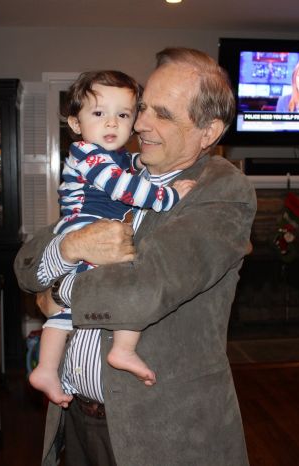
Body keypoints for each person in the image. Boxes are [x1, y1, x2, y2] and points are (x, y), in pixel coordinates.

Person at [14, 47, 257, 466]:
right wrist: (70, 248)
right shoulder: (116, 169)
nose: (139, 123)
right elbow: (27, 263)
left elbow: (145, 290)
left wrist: (59, 293)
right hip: (74, 413)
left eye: (163, 114)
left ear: (208, 131)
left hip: (159, 432)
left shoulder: (222, 191)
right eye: (143, 107)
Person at [29, 70, 196, 408]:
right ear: (75, 123)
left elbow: (131, 165)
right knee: (127, 277)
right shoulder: (88, 155)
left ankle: (46, 369)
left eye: (122, 115)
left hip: (87, 228)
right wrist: (170, 196)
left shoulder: (113, 157)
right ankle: (123, 348)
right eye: (98, 113)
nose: (111, 123)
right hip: (86, 228)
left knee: (66, 310)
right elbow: (125, 189)